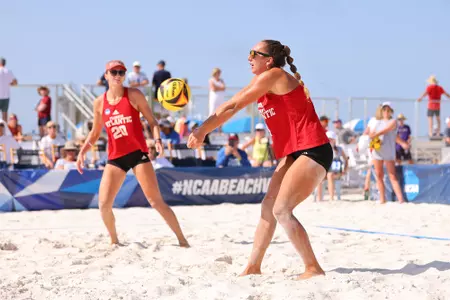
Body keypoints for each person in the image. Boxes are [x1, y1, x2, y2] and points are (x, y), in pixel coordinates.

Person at [187, 40, 332, 279]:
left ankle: (313, 268)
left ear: (269, 60)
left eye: (254, 53)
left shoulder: (274, 75)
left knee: (282, 210)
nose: (249, 57)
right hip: (294, 152)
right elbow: (235, 101)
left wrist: (203, 129)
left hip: (313, 148)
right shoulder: (264, 81)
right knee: (268, 207)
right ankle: (253, 267)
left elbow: (233, 105)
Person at [76, 60, 189, 247]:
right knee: (104, 205)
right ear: (106, 75)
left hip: (138, 154)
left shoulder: (134, 95)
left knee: (156, 201)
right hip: (116, 157)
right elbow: (95, 133)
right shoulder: (99, 102)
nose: (118, 75)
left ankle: (182, 240)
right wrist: (82, 152)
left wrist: (158, 140)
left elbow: (153, 122)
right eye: (114, 72)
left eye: (121, 72)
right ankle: (114, 241)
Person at [368, 102, 409, 204]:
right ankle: (382, 199)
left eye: (388, 110)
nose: (386, 112)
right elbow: (370, 133)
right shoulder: (377, 121)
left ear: (391, 111)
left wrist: (375, 134)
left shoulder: (393, 121)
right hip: (377, 151)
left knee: (392, 175)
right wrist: (372, 138)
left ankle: (401, 200)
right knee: (379, 175)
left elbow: (387, 130)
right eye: (384, 110)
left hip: (389, 151)